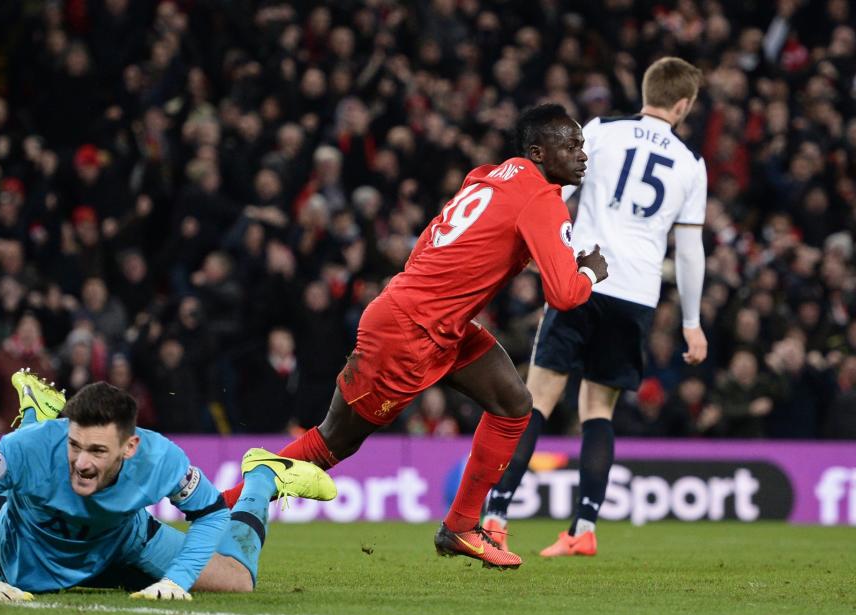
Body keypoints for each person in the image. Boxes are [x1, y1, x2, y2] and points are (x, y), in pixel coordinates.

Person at [219, 103, 609, 569]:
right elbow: (566, 294)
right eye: (570, 146)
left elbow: (433, 239)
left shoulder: (486, 176)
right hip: (409, 330)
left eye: (582, 145)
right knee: (331, 444)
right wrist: (589, 271)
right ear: (538, 152)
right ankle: (218, 504)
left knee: (513, 405)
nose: (582, 154)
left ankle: (461, 527)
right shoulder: (542, 198)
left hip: (437, 320)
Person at [481, 57, 708, 557]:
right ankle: (583, 528)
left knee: (535, 399)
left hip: (584, 276)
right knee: (597, 411)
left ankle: (495, 515)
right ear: (684, 104)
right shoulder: (692, 164)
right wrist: (691, 323)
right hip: (637, 295)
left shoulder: (602, 131)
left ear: (646, 90)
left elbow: (556, 189)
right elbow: (690, 249)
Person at [0, 371, 336, 602]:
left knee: (238, 580)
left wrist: (177, 581)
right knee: (24, 468)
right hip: (19, 546)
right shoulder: (26, 452)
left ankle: (263, 475)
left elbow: (209, 512)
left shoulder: (160, 459)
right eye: (74, 445)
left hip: (123, 541)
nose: (83, 463)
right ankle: (36, 413)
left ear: (129, 446)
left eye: (99, 451)